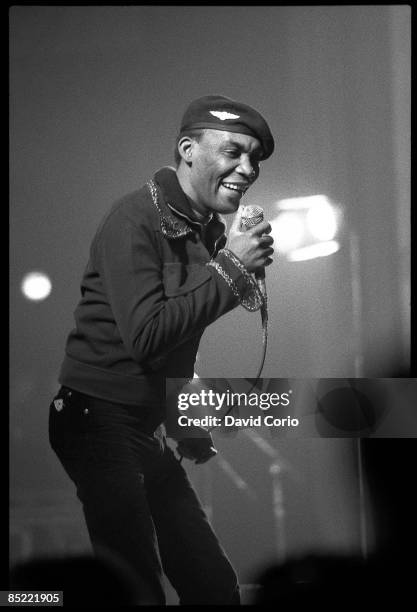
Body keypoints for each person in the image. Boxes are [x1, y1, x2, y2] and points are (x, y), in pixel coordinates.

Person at [48, 94, 275, 605]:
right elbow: (147, 336)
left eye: (255, 159)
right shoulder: (136, 218)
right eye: (234, 152)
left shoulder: (207, 231)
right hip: (94, 417)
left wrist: (179, 414)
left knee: (213, 586)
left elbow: (176, 342)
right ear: (188, 149)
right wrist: (232, 268)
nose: (247, 168)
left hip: (143, 423)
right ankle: (25, 598)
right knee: (135, 588)